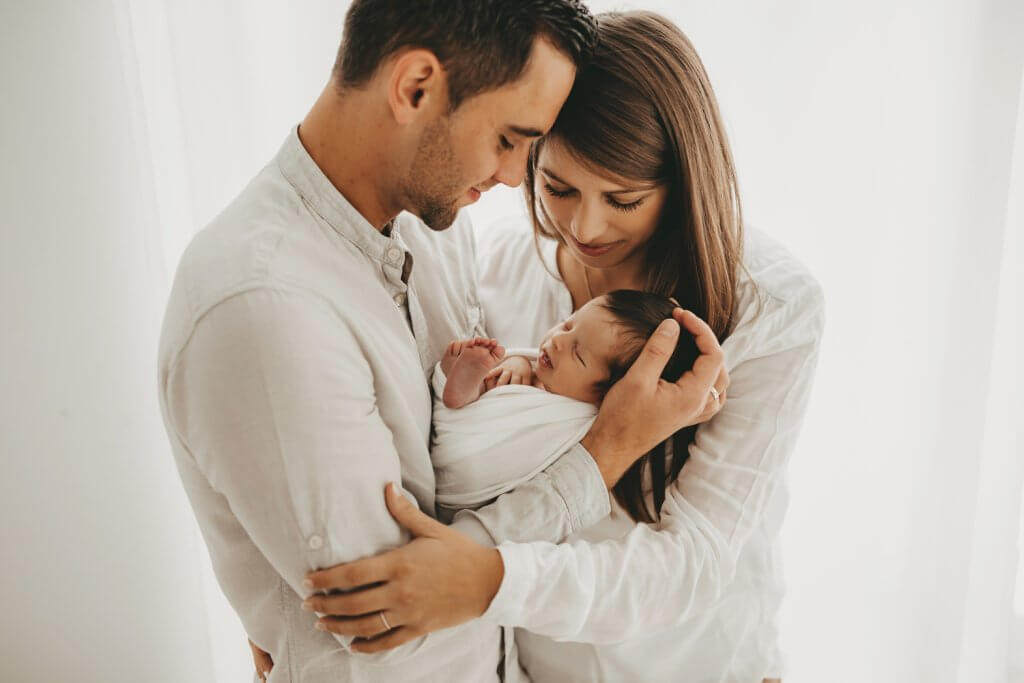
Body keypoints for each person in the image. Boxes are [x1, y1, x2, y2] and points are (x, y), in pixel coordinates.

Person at [156, 1, 726, 682]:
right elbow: (398, 620)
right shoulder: (265, 309)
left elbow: (462, 516)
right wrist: (599, 456)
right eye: (510, 140)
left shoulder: (438, 226)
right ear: (415, 87)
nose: (518, 178)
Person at [302, 11, 822, 683]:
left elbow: (693, 559)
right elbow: (440, 459)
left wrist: (491, 578)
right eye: (559, 188)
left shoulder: (770, 306)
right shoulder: (500, 269)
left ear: (682, 182)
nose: (585, 225)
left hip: (703, 665)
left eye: (624, 198)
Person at [432, 291, 702, 513]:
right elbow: (518, 369)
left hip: (474, 485)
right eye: (568, 324)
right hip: (466, 425)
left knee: (469, 415)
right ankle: (459, 383)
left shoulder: (582, 424)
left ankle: (458, 391)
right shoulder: (544, 370)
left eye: (579, 355)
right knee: (488, 382)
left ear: (611, 394)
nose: (558, 340)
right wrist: (517, 363)